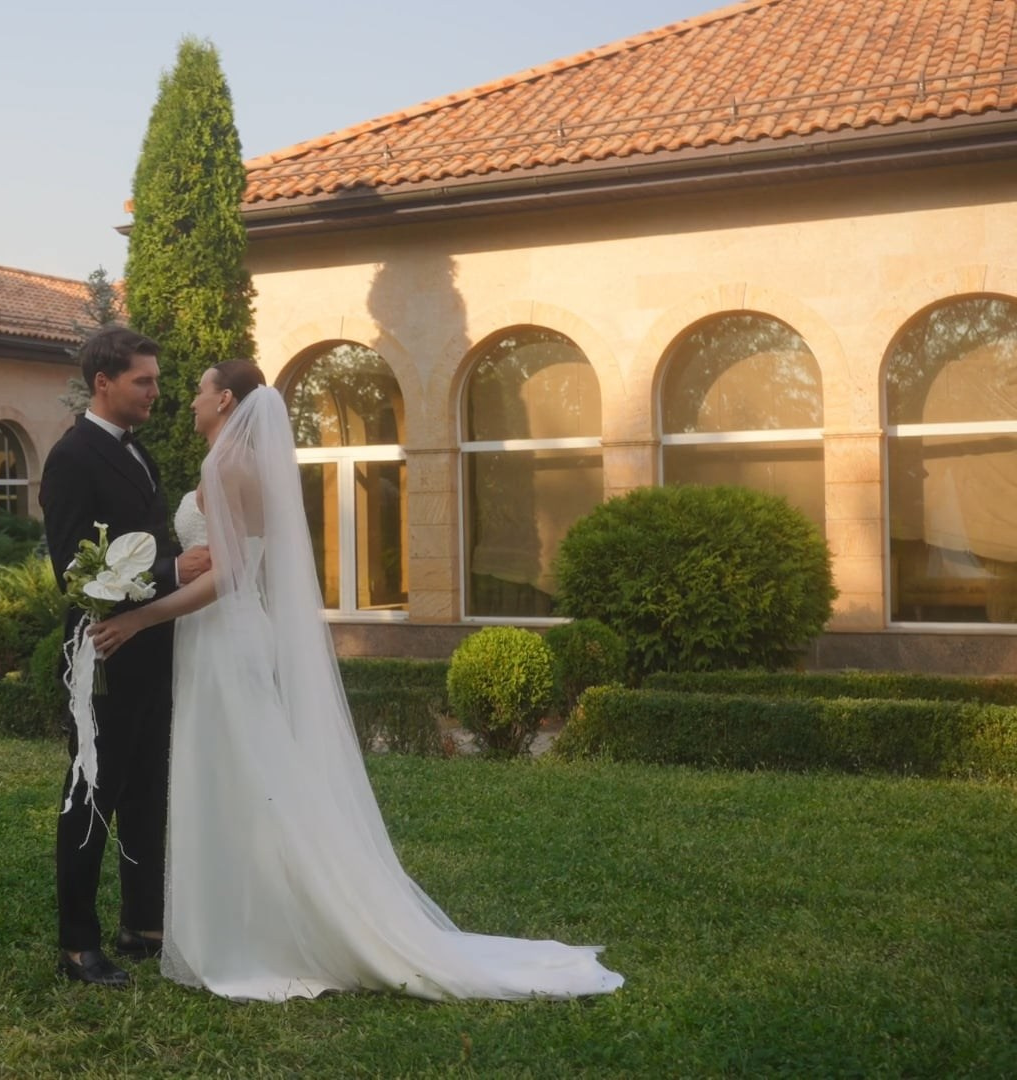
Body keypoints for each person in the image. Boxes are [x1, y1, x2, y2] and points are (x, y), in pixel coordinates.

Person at [89, 359, 624, 1003]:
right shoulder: (245, 464)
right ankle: (254, 915)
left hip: (222, 638)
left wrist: (139, 619)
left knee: (235, 773)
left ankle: (257, 930)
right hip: (230, 635)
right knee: (247, 773)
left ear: (225, 399)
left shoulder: (223, 466)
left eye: (201, 390)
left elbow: (227, 576)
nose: (191, 400)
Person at [39, 326, 210, 989]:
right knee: (91, 791)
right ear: (103, 382)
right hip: (103, 651)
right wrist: (172, 570)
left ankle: (142, 924)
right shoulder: (71, 457)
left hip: (153, 646)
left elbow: (144, 540)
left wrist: (170, 574)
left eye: (157, 380)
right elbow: (71, 571)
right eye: (144, 380)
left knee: (146, 787)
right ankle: (77, 945)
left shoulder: (139, 452)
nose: (156, 392)